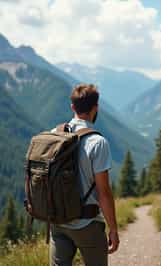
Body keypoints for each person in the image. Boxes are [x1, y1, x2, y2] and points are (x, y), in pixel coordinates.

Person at [50, 84, 119, 266]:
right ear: (95, 107)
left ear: (72, 107)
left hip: (58, 222)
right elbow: (104, 192)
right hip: (87, 224)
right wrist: (113, 229)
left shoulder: (53, 136)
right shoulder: (97, 142)